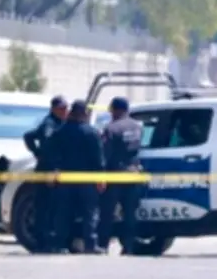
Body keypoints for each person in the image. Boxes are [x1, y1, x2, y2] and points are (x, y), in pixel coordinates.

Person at [45, 99, 105, 254]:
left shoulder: (60, 132)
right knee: (90, 213)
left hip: (65, 179)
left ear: (72, 112)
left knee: (63, 213)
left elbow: (51, 154)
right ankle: (90, 245)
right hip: (87, 179)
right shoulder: (92, 133)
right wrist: (101, 178)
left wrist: (54, 171)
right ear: (84, 114)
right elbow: (98, 158)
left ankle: (60, 245)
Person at [97, 96, 144, 255]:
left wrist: (101, 174)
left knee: (107, 212)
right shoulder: (138, 127)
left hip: (115, 175)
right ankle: (128, 246)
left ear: (115, 110)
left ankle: (103, 245)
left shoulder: (111, 129)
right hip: (133, 173)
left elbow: (105, 154)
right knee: (130, 213)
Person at [22, 95, 68, 253]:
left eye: (66, 108)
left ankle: (49, 241)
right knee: (45, 207)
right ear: (54, 109)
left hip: (52, 169)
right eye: (61, 108)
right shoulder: (49, 124)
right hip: (47, 170)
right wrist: (38, 153)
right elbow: (46, 144)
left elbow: (29, 135)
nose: (65, 111)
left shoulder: (59, 122)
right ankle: (42, 242)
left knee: (52, 207)